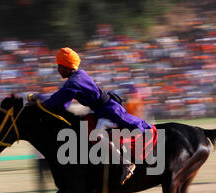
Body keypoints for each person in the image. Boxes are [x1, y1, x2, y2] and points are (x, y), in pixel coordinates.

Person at [31, 47, 152, 185]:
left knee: (97, 135)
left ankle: (127, 164)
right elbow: (61, 100)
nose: (58, 70)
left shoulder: (74, 82)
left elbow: (58, 100)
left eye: (59, 66)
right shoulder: (78, 76)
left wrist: (39, 105)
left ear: (66, 66)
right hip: (102, 110)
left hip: (109, 111)